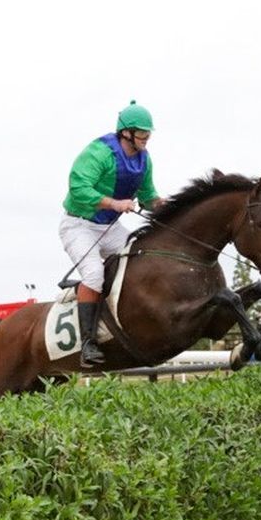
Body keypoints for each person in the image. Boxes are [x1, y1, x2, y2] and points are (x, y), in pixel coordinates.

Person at [60, 100, 164, 366]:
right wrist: (114, 204)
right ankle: (88, 344)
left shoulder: (144, 160)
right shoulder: (99, 153)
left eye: (148, 132)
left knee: (142, 256)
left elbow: (148, 196)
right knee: (94, 274)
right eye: (142, 132)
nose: (147, 137)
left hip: (109, 227)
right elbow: (78, 188)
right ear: (126, 133)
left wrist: (166, 205)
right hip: (78, 225)